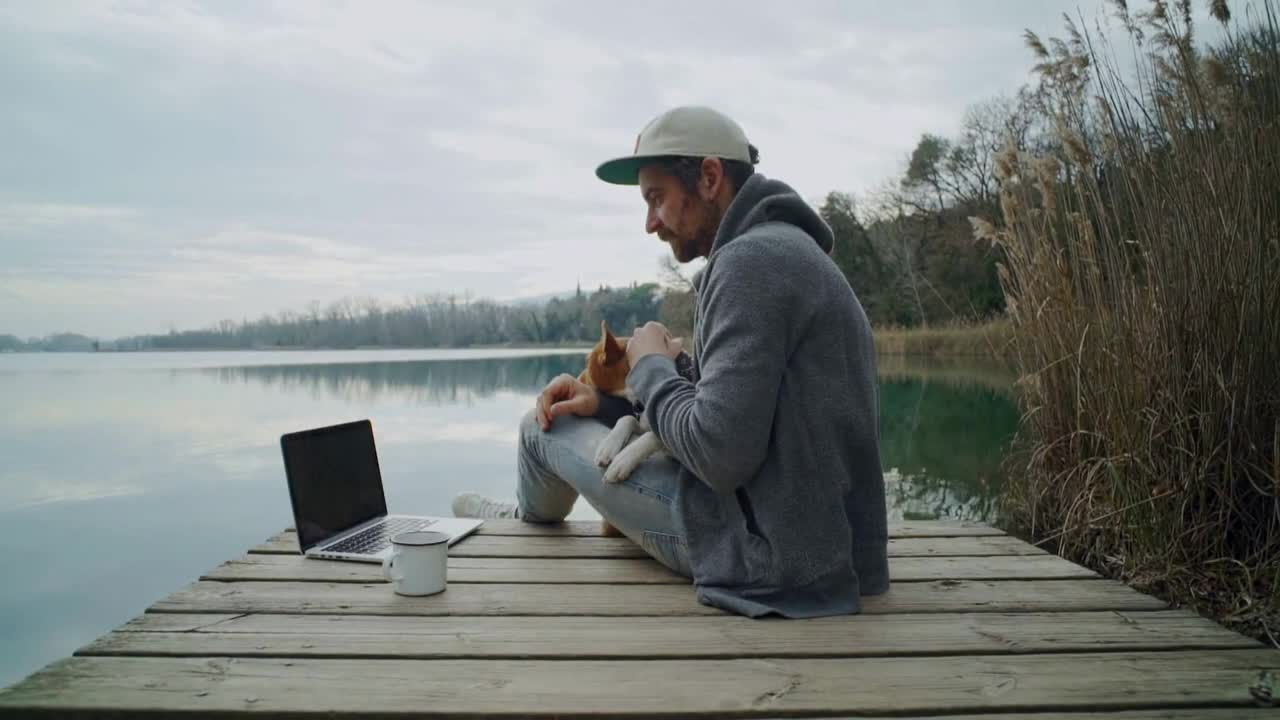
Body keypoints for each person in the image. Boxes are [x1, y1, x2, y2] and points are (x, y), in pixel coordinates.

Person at [453, 105, 888, 617]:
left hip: (766, 556)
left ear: (708, 177)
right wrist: (606, 407)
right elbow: (743, 414)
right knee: (575, 417)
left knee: (537, 430)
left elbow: (719, 455)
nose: (649, 223)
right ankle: (529, 511)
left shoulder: (749, 264)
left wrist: (651, 367)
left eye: (656, 198)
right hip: (830, 549)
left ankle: (523, 517)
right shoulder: (785, 251)